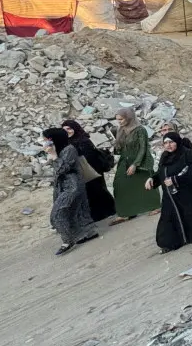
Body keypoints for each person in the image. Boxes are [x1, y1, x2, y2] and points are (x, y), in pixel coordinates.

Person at [146, 132, 192, 253]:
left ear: (177, 142)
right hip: (170, 196)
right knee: (168, 219)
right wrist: (152, 180)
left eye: (171, 142)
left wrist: (176, 180)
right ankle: (170, 243)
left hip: (188, 193)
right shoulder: (165, 156)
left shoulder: (186, 153)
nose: (168, 145)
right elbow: (161, 173)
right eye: (165, 143)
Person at [41, 127, 99, 256]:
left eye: (47, 140)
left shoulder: (69, 150)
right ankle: (88, 233)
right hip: (63, 186)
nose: (45, 142)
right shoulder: (60, 149)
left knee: (58, 213)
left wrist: (54, 156)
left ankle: (67, 241)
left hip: (72, 186)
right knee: (76, 210)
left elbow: (62, 169)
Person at [110, 107, 161, 224]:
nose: (119, 122)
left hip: (140, 160)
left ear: (129, 118)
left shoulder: (140, 130)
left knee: (146, 183)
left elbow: (143, 148)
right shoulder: (120, 130)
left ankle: (155, 206)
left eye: (121, 119)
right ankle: (126, 212)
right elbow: (120, 147)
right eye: (118, 119)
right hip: (125, 160)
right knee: (119, 183)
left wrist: (135, 164)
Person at [61, 119, 117, 223]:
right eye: (65, 130)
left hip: (92, 169)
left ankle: (109, 211)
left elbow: (90, 157)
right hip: (83, 171)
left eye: (69, 128)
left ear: (75, 128)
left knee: (98, 190)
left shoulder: (83, 140)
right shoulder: (68, 142)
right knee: (89, 193)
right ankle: (97, 214)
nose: (67, 131)